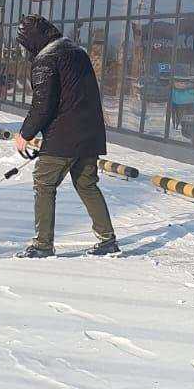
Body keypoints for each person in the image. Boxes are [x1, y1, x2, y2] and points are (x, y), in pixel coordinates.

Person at [13, 14, 119, 258]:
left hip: (65, 134)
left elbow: (44, 103)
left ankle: (42, 245)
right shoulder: (76, 51)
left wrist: (26, 133)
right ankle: (107, 239)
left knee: (44, 182)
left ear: (33, 39)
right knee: (86, 184)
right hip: (90, 133)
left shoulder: (47, 59)